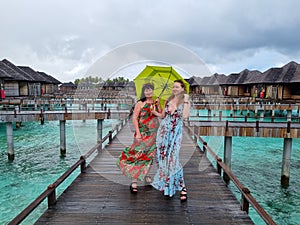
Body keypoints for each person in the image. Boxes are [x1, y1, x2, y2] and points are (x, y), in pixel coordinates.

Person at [116, 83, 161, 194]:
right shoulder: (140, 103)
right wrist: (138, 133)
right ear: (143, 92)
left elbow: (161, 114)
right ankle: (134, 181)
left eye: (150, 90)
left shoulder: (156, 102)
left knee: (149, 156)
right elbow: (135, 119)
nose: (148, 92)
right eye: (146, 90)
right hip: (142, 133)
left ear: (153, 91)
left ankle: (144, 175)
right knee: (138, 155)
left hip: (154, 133)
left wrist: (159, 105)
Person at [151, 79, 190, 202]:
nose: (174, 89)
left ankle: (182, 187)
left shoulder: (185, 101)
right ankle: (167, 184)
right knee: (162, 158)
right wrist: (155, 110)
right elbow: (163, 115)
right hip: (163, 133)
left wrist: (187, 100)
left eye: (177, 87)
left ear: (183, 89)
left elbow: (184, 116)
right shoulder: (168, 100)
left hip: (175, 134)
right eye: (173, 87)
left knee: (173, 159)